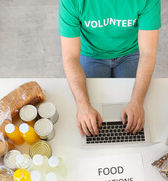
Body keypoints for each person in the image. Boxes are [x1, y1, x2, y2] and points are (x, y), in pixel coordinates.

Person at [59, 0, 161, 136]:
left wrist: (137, 102)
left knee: (138, 116)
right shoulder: (71, 2)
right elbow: (70, 57)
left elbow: (147, 53)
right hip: (91, 53)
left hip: (130, 52)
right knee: (88, 118)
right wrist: (82, 106)